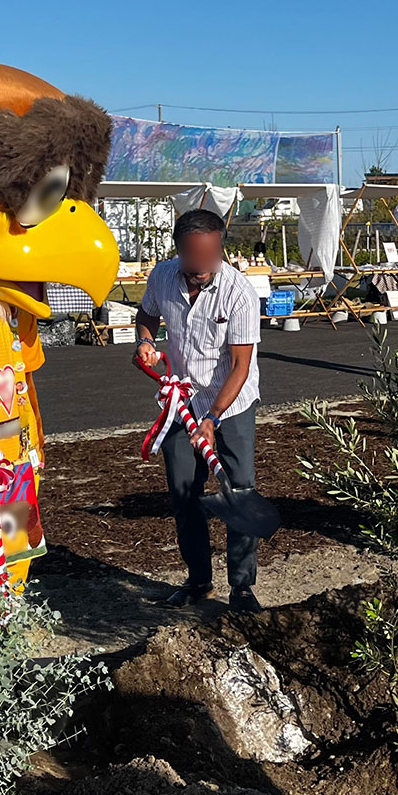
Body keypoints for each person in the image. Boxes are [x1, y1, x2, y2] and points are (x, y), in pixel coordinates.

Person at [134, 208, 265, 614]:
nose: (205, 267)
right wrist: (144, 342)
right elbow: (146, 316)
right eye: (196, 259)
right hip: (182, 401)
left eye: (213, 257)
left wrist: (213, 420)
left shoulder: (239, 293)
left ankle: (242, 587)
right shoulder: (161, 276)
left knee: (238, 490)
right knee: (183, 493)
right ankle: (198, 580)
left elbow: (241, 366)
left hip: (231, 404)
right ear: (180, 251)